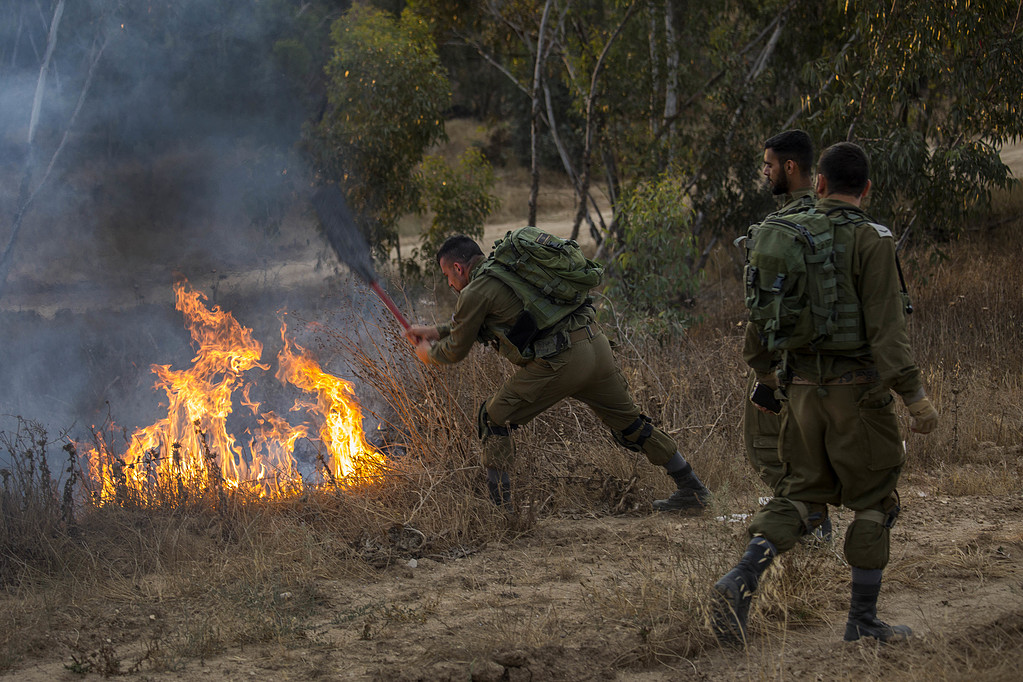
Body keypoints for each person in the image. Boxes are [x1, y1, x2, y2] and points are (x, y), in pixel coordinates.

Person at [712, 142, 939, 646]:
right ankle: (862, 620)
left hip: (800, 393)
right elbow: (886, 329)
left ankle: (742, 578)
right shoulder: (871, 239)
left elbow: (758, 329)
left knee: (799, 496)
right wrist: (914, 396)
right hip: (857, 396)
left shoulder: (786, 235)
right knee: (876, 501)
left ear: (818, 183)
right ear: (867, 188)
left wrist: (772, 379)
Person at [405, 232, 711, 512]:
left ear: (459, 268)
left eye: (447, 276)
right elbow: (470, 323)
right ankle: (693, 489)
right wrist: (435, 330)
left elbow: (456, 349)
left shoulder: (475, 291)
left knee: (493, 417)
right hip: (595, 346)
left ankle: (501, 513)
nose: (448, 283)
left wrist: (428, 354)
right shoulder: (509, 269)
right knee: (631, 425)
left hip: (561, 361)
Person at [743, 130, 831, 540]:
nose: (765, 171)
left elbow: (760, 316)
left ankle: (809, 522)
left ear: (789, 167)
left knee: (765, 448)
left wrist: (762, 373)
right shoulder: (839, 219)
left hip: (790, 364)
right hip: (844, 362)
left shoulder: (776, 230)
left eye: (769, 164)